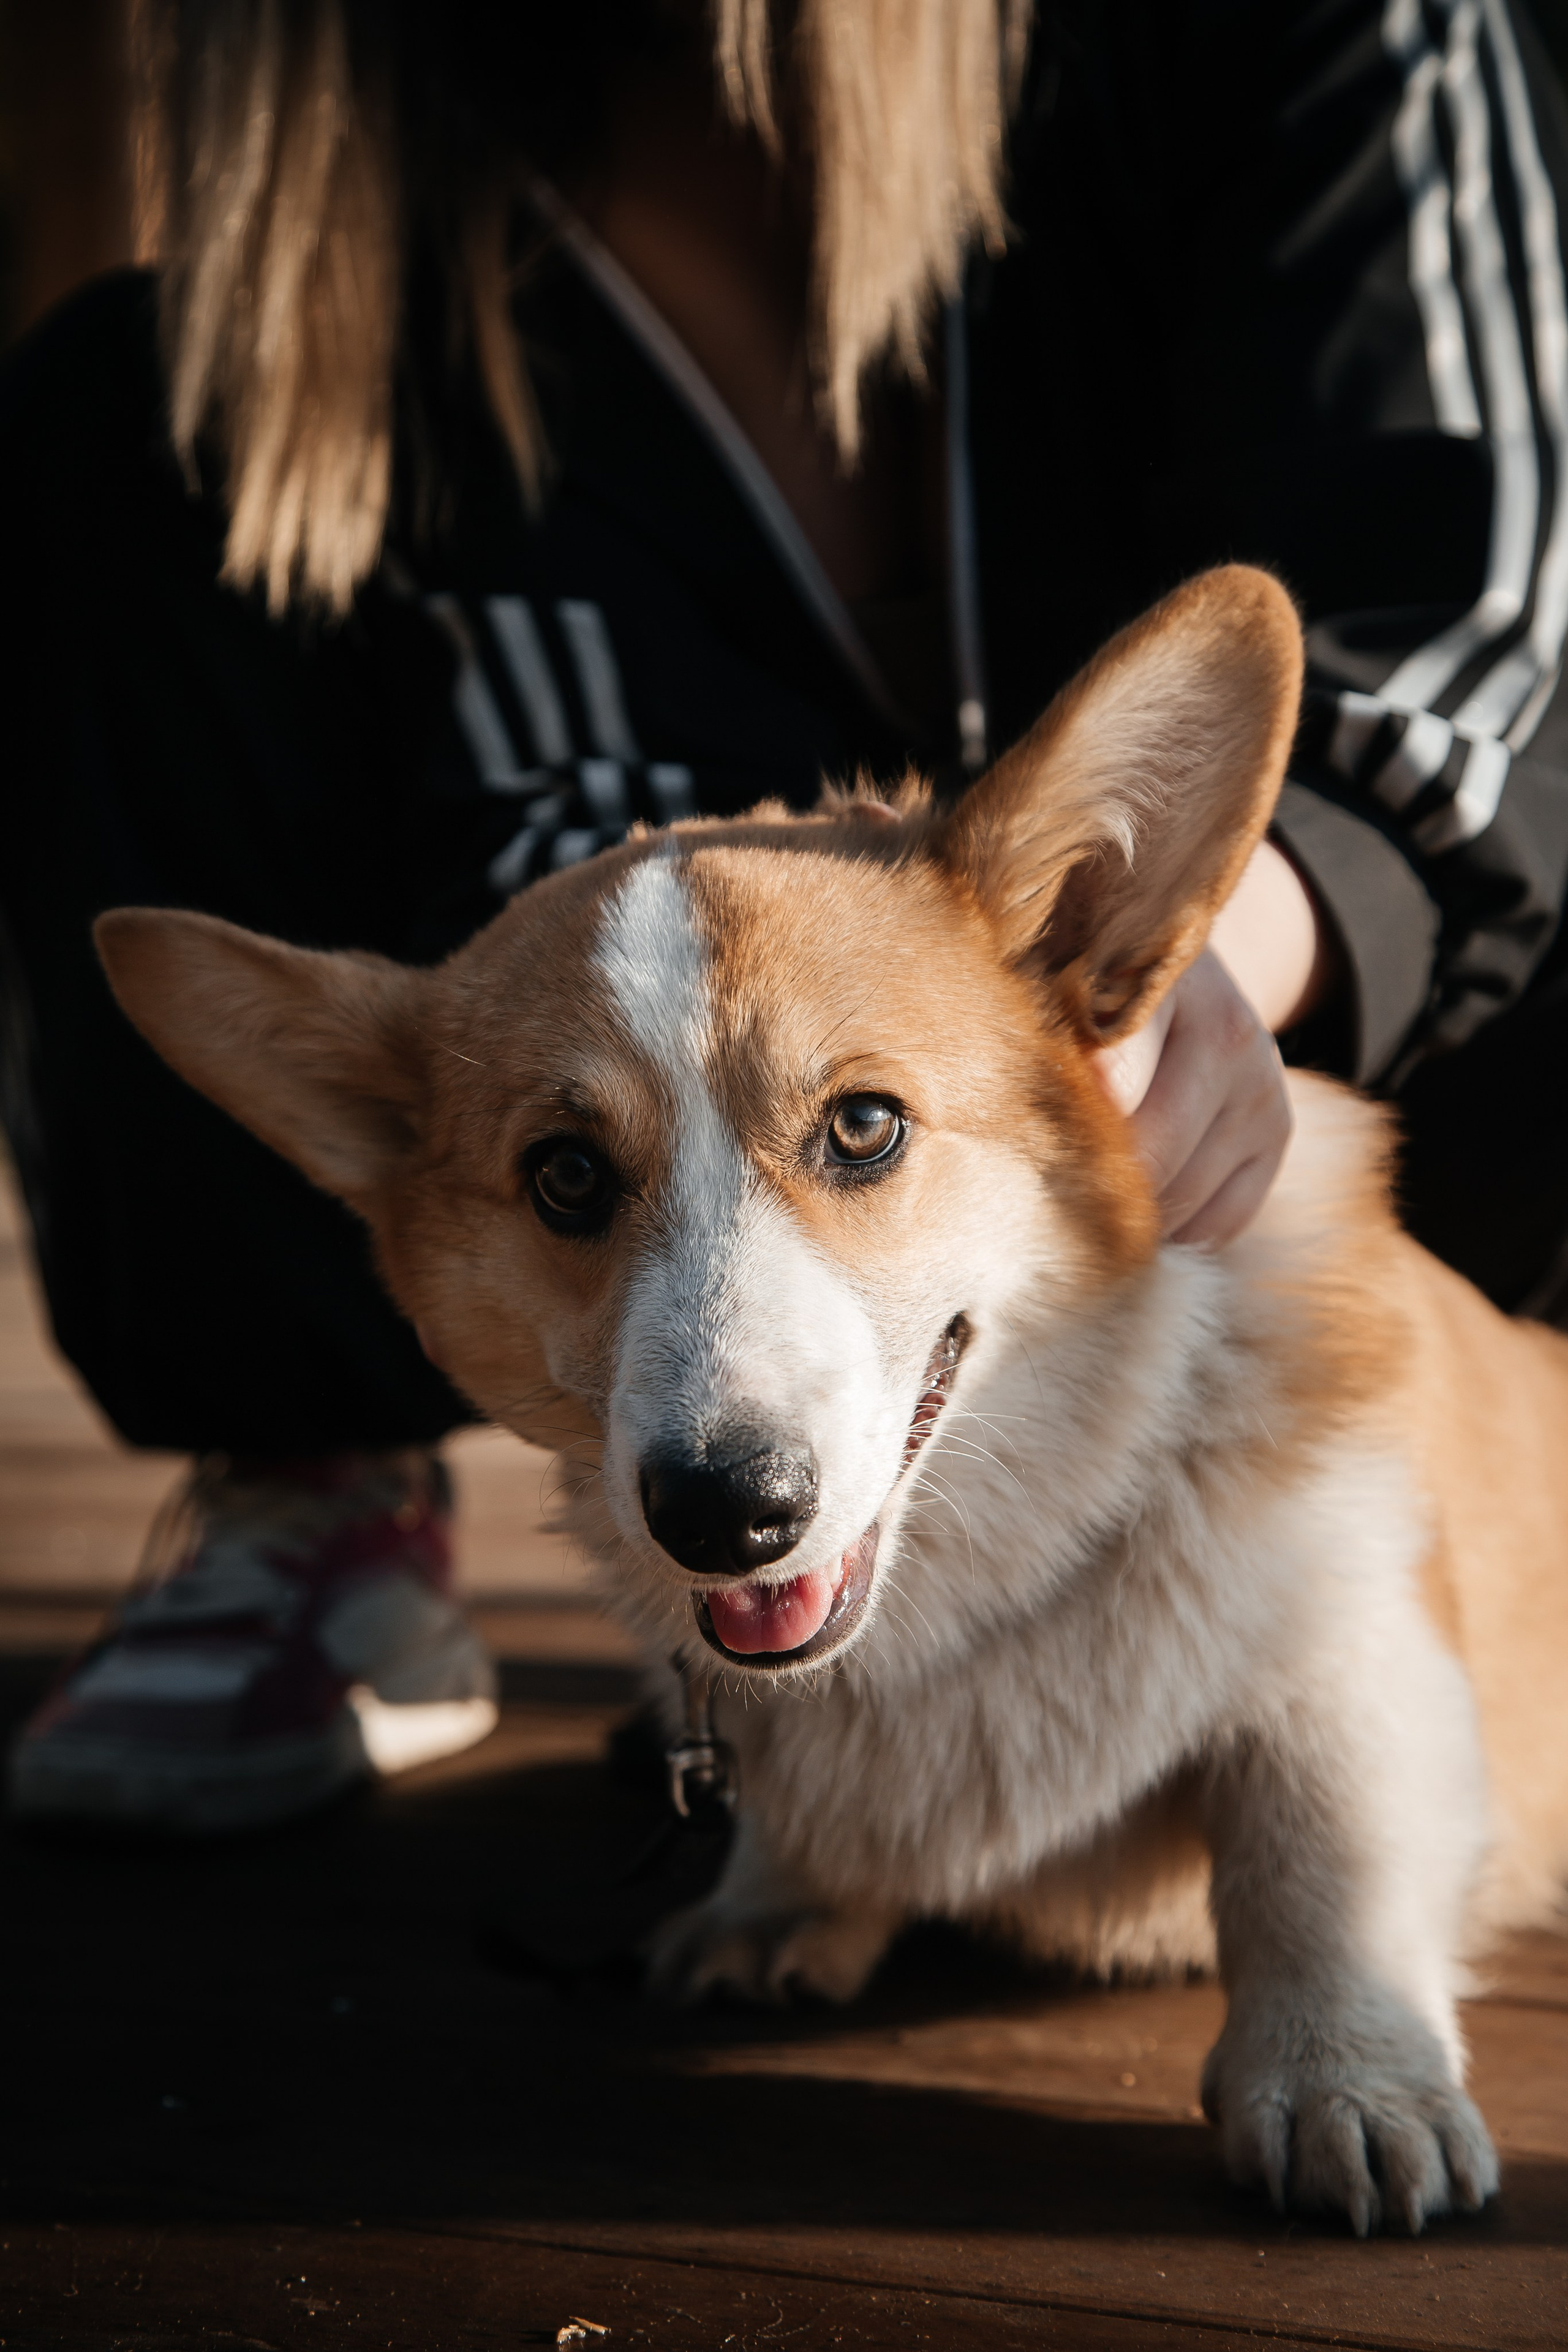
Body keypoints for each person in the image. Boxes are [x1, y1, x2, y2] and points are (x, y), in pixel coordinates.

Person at [2, 0, 1566, 1827]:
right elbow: (560, 879)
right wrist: (564, 1145)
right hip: (746, 1108)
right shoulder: (409, 196)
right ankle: (313, 1487)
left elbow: (1479, 584)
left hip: (1404, 1065)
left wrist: (1195, 959)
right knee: (114, 408)